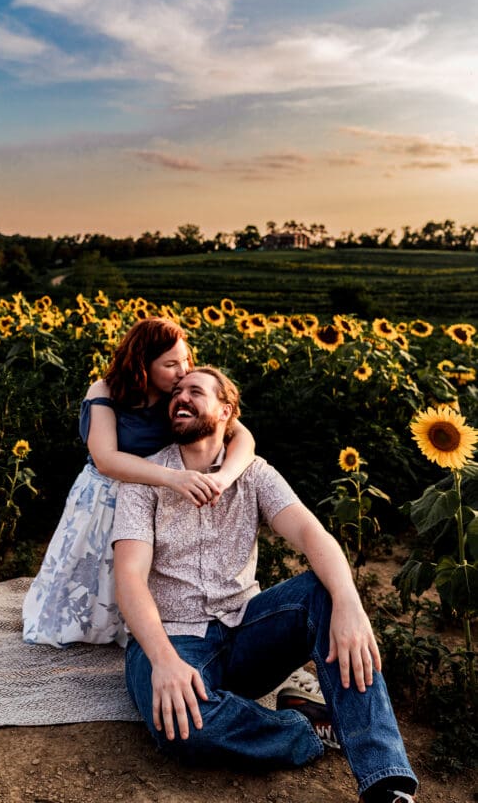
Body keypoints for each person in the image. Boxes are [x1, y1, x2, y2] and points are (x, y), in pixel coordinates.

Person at [113, 367, 418, 803]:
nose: (180, 398)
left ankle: (387, 783)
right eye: (176, 392)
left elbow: (313, 536)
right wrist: (162, 660)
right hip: (172, 638)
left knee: (324, 594)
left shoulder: (253, 473)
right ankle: (305, 728)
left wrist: (349, 602)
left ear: (226, 411)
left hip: (245, 630)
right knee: (182, 727)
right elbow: (129, 580)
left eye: (194, 392)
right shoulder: (145, 480)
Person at [22, 318, 256, 647]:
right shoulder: (105, 391)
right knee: (95, 574)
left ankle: (143, 631)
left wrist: (222, 478)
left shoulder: (179, 396)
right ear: (142, 365)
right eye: (171, 364)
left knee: (148, 572)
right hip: (106, 496)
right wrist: (174, 477)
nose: (183, 370)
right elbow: (106, 458)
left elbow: (242, 435)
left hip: (155, 499)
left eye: (186, 358)